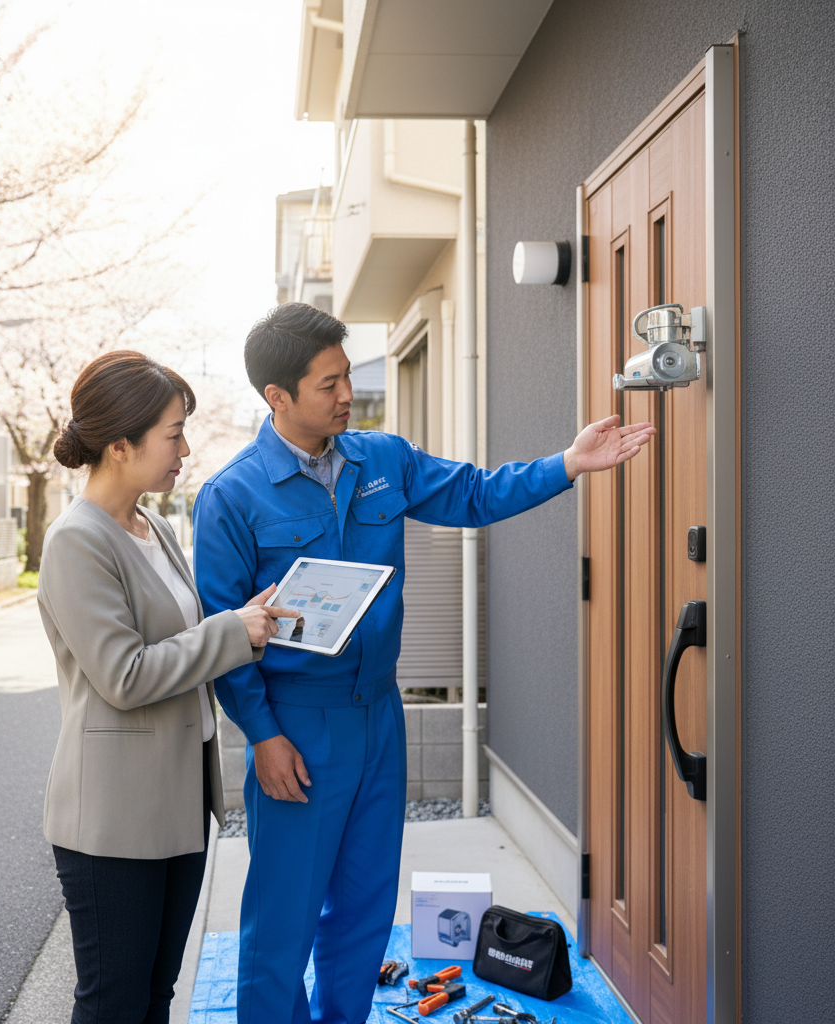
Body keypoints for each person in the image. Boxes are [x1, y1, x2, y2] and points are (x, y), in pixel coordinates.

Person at [191, 303, 655, 1024]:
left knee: (364, 907)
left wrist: (568, 463)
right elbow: (223, 636)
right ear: (277, 396)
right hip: (296, 726)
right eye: (328, 384)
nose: (348, 394)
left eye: (347, 376)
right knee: (282, 919)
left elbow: (474, 494)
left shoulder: (383, 459)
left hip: (380, 713)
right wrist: (263, 735)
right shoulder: (231, 496)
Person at [37, 350, 296, 1024]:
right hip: (114, 819)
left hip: (176, 804)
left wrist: (246, 622)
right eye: (173, 434)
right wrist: (230, 633)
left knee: (156, 997)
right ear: (120, 446)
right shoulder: (76, 541)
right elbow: (124, 675)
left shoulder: (152, 525)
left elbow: (183, 637)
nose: (185, 451)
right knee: (114, 1004)